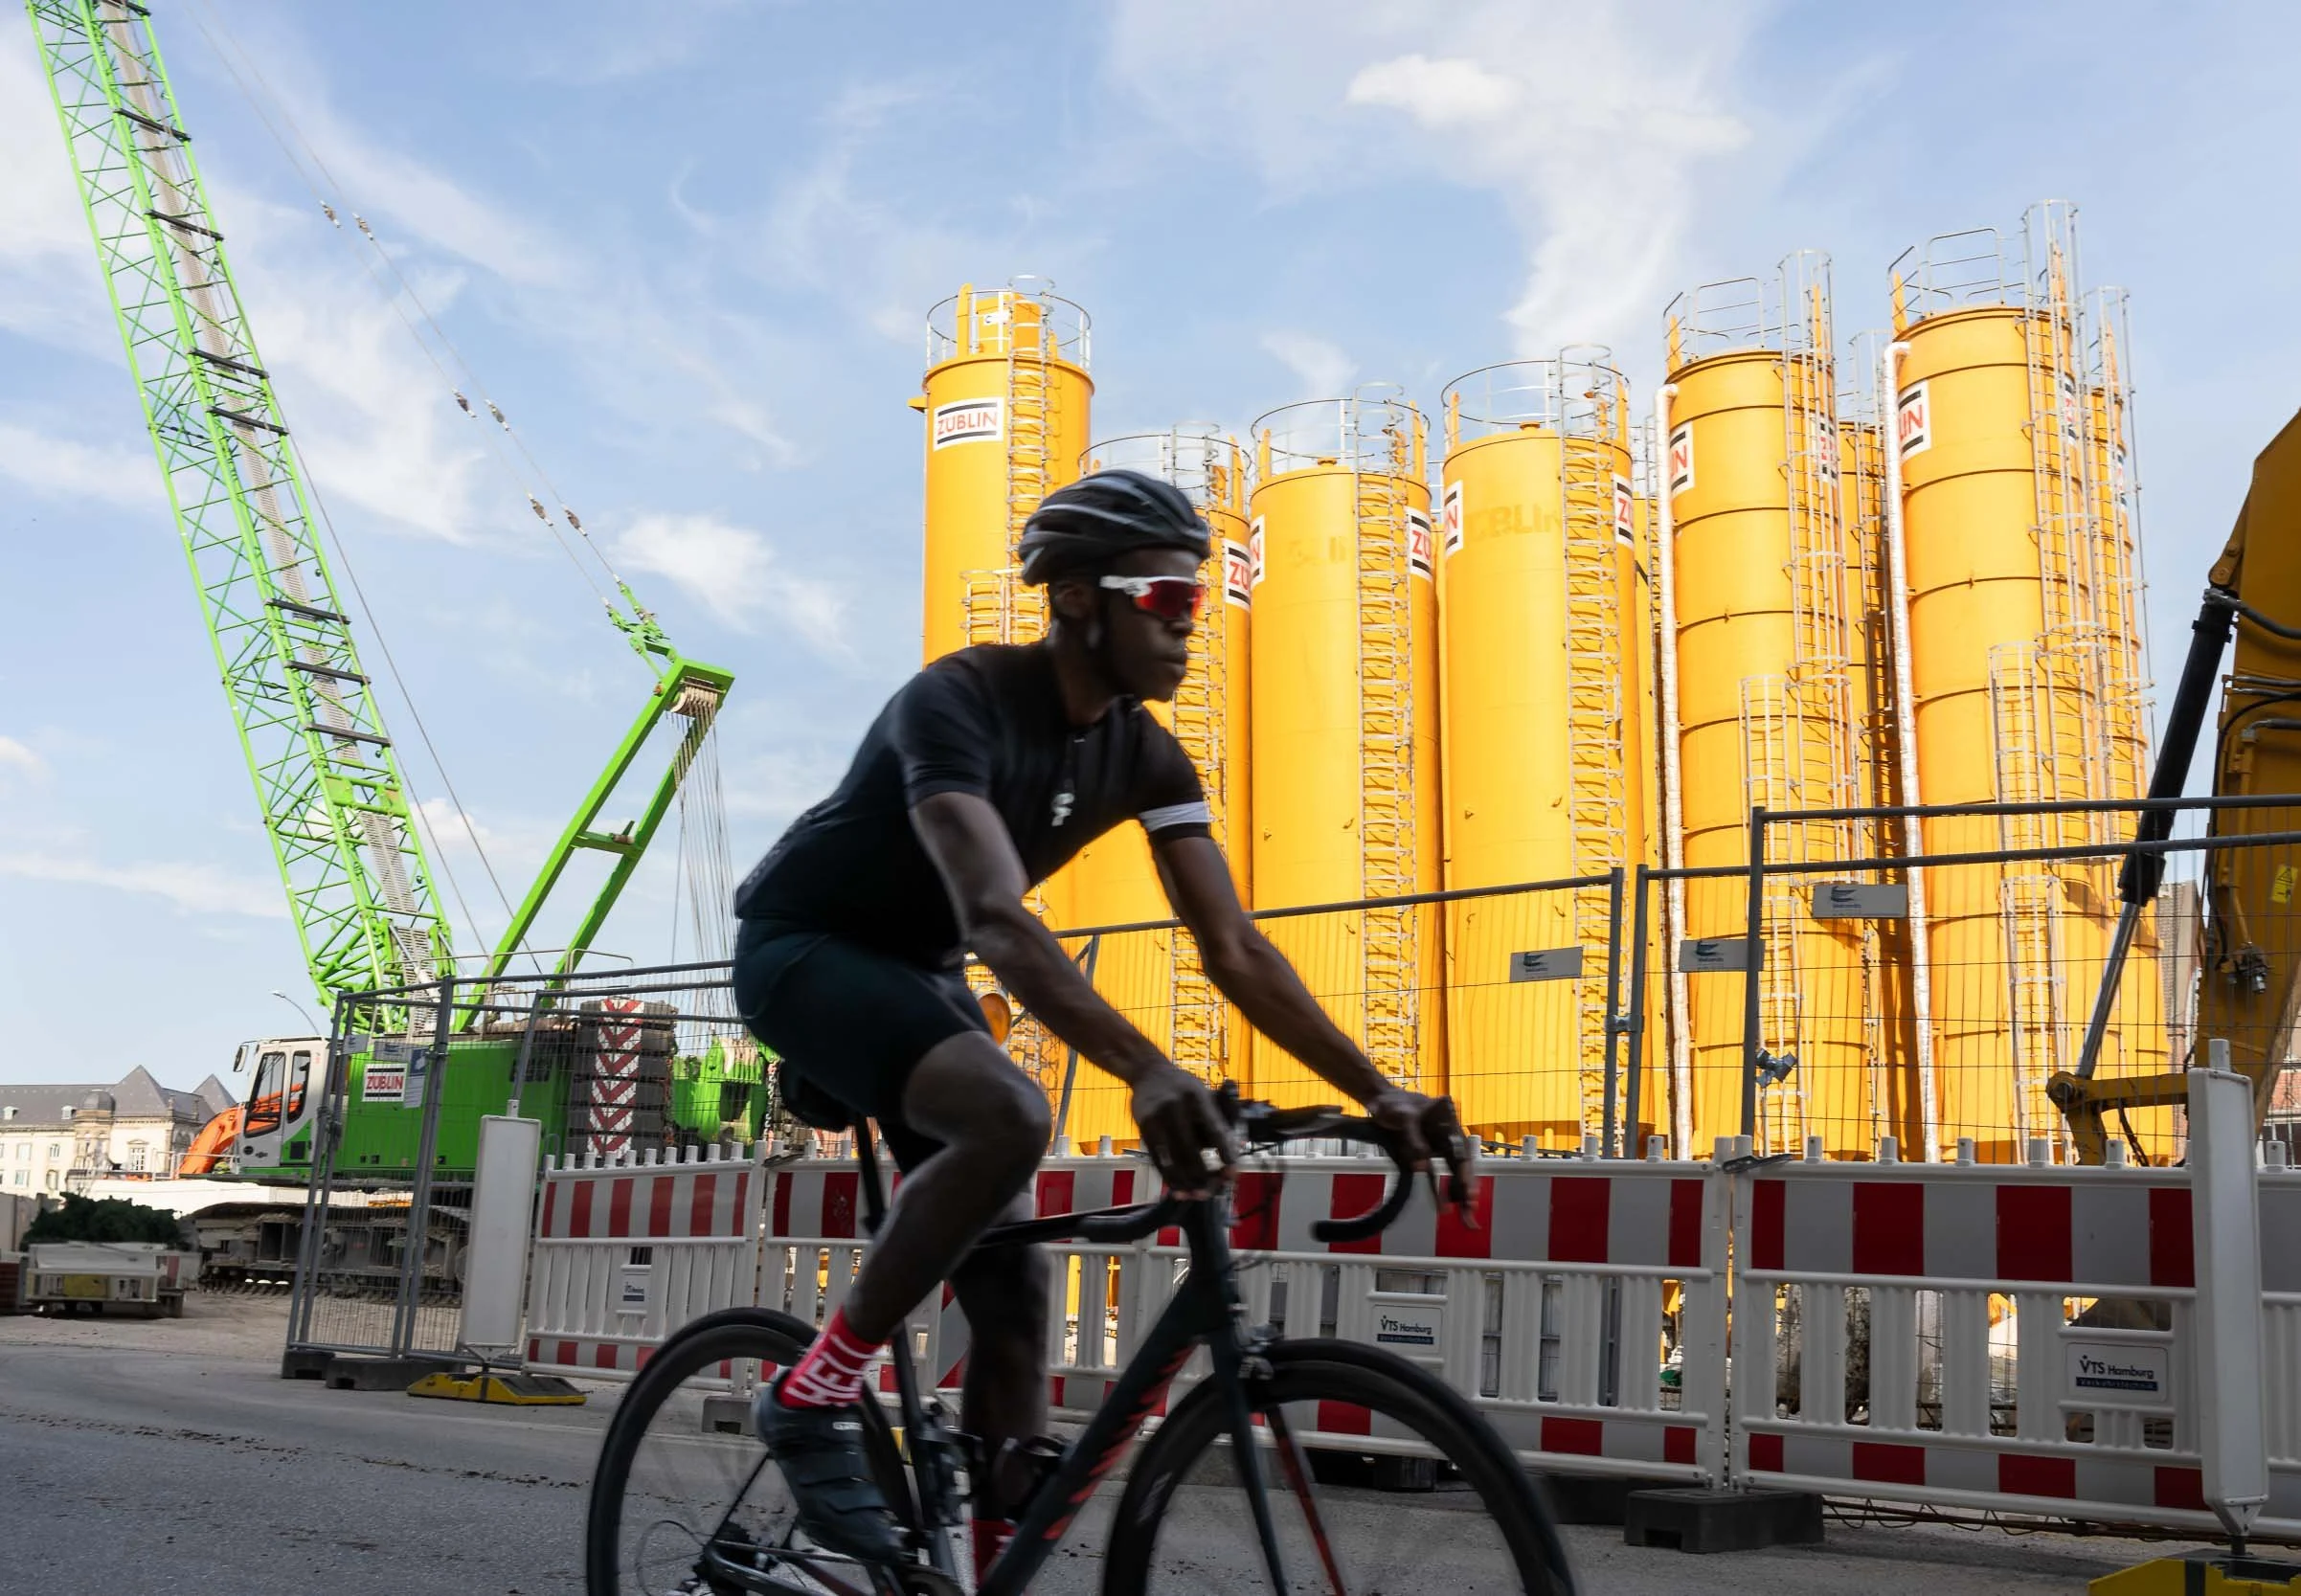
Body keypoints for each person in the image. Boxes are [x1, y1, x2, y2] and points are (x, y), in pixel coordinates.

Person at [730, 468, 1470, 1575]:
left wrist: (1381, 1094)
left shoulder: (1146, 753)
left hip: (919, 971)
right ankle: (812, 1390)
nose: (1191, 628)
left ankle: (985, 1558)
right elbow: (995, 917)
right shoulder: (960, 698)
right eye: (1169, 602)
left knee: (1018, 1296)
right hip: (808, 947)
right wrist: (1147, 1067)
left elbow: (1237, 950)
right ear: (1080, 598)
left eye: (1199, 604)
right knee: (1009, 1114)